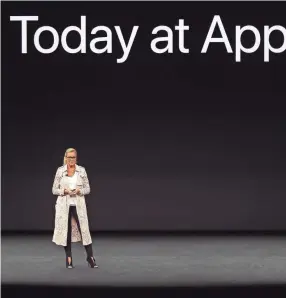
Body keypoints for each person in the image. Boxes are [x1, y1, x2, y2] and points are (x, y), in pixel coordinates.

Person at [52, 148, 98, 269]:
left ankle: (90, 257)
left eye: (73, 157)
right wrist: (64, 191)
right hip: (64, 206)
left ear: (76, 158)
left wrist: (79, 191)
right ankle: (68, 258)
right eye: (69, 157)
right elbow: (54, 189)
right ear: (65, 158)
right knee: (66, 232)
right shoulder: (60, 171)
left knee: (84, 230)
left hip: (78, 205)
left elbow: (87, 189)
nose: (71, 160)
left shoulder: (81, 171)